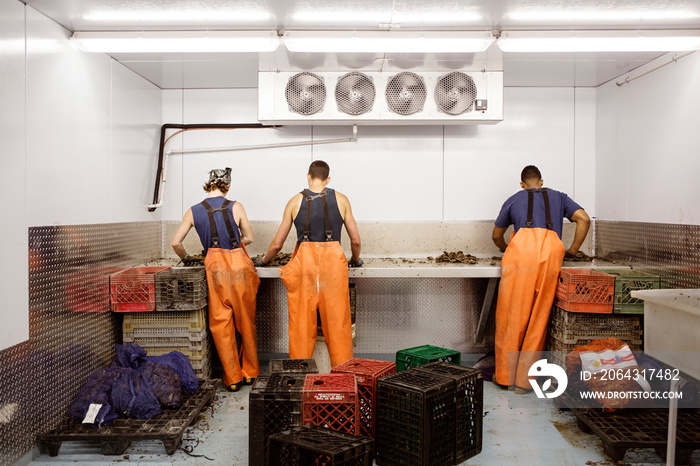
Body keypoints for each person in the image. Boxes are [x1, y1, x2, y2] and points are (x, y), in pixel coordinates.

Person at [491, 165, 590, 393]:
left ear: (522, 184)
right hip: (551, 255)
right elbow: (584, 219)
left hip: (520, 258)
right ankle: (524, 383)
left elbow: (496, 235)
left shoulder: (514, 198)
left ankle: (505, 377)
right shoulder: (559, 197)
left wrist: (507, 248)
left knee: (511, 317)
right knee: (538, 318)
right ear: (541, 181)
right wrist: (572, 250)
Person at [254, 160, 362, 368]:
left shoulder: (294, 202)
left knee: (301, 331)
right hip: (333, 273)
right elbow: (356, 241)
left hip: (304, 272)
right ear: (328, 179)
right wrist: (355, 260)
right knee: (339, 328)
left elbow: (277, 244)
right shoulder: (342, 200)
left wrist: (264, 260)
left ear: (308, 176)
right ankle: (344, 384)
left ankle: (299, 382)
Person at [171, 168, 261, 392]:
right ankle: (250, 373)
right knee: (246, 323)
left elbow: (176, 243)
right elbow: (248, 237)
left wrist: (189, 258)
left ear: (208, 184)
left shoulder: (193, 211)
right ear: (227, 186)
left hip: (215, 270)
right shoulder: (236, 206)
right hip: (239, 268)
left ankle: (232, 379)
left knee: (221, 325)